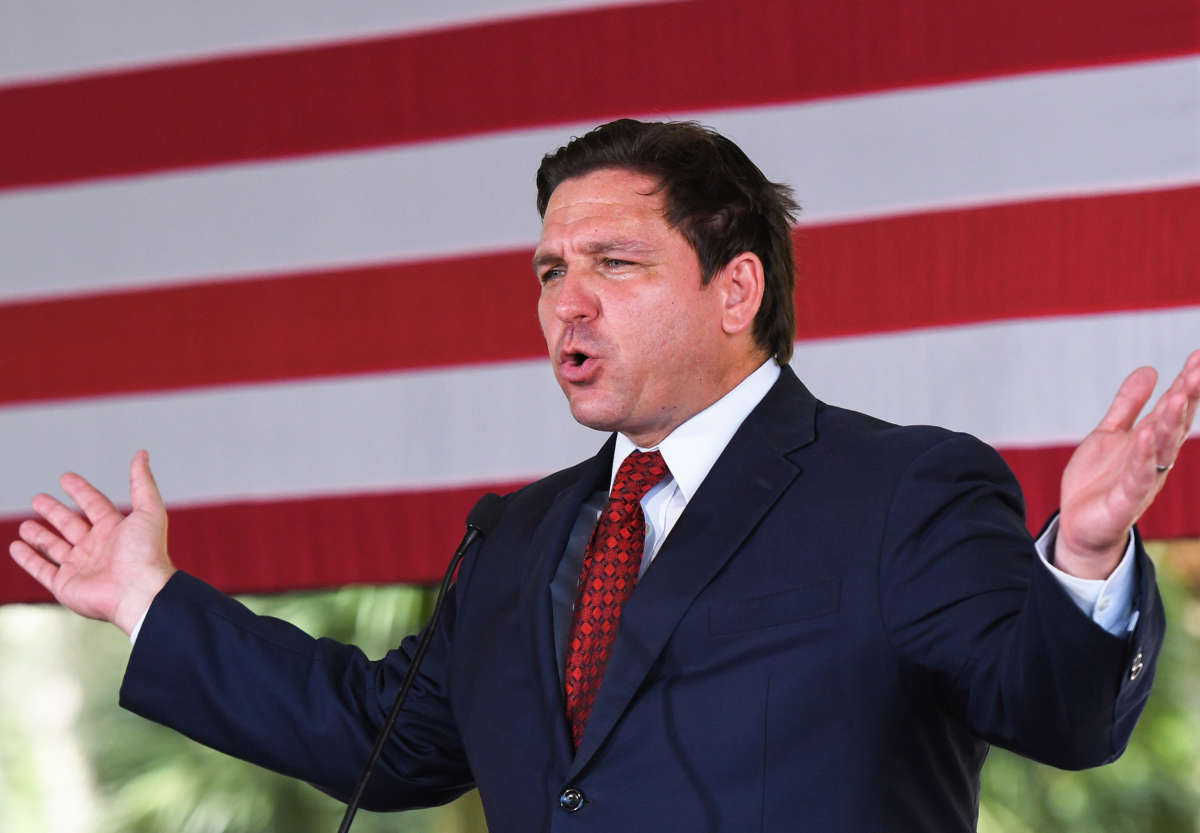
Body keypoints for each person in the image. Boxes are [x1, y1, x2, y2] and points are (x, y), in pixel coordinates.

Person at [9, 120, 1200, 832]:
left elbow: (1059, 709)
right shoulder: (520, 536)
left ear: (736, 291)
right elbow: (383, 736)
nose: (564, 301)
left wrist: (1086, 559)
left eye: (614, 262)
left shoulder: (902, 488)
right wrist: (147, 599)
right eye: (546, 269)